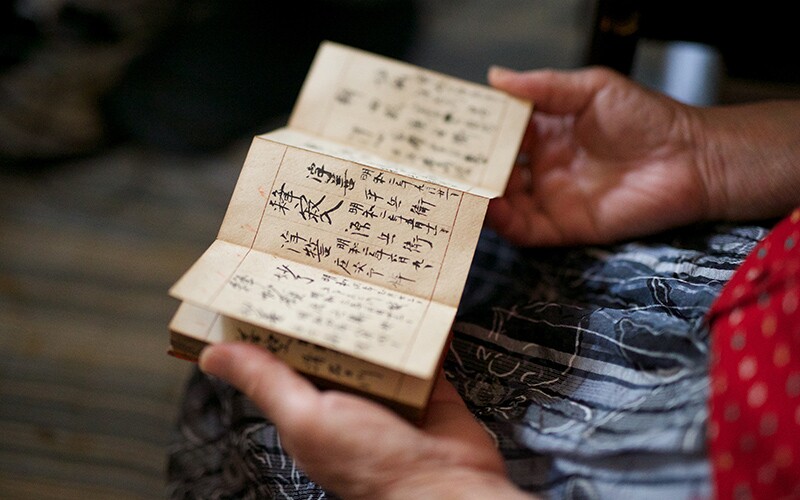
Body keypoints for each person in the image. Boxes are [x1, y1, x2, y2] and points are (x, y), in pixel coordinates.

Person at [189, 66, 800, 499]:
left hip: (697, 461)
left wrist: (432, 486)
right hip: (753, 269)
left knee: (274, 408)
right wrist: (705, 155)